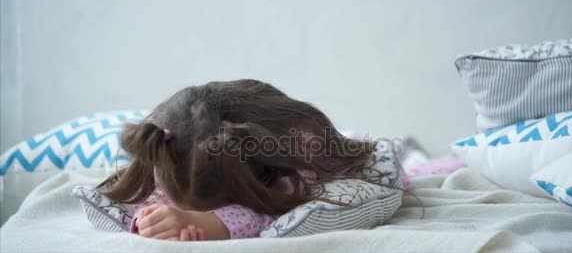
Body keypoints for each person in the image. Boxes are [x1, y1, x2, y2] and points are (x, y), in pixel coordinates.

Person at [97, 79, 376, 241]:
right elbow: (143, 201)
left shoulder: (285, 169)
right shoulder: (163, 152)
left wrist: (209, 224)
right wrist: (151, 222)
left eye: (219, 206)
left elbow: (269, 212)